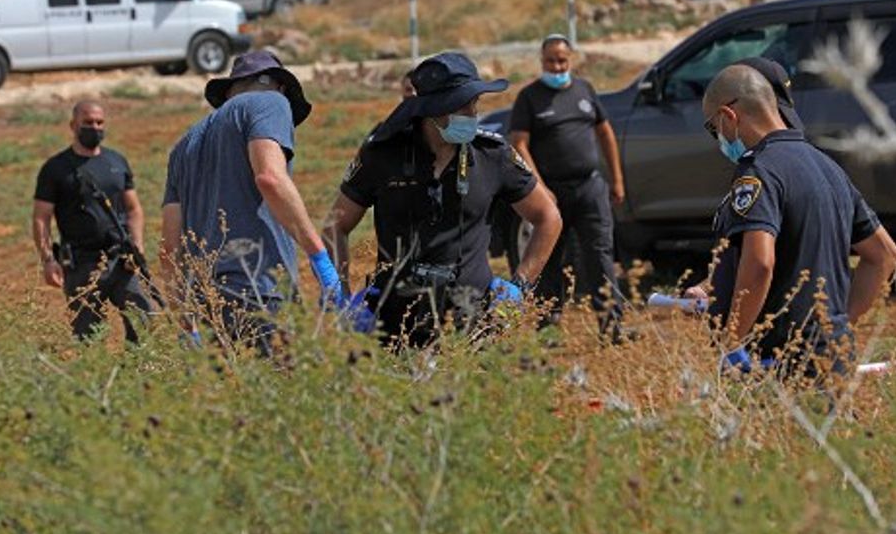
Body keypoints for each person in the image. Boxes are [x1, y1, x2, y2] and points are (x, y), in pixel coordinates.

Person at [323, 52, 562, 347]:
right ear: (431, 110)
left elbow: (548, 217)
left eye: (475, 103)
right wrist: (341, 295)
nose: (473, 114)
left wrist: (520, 286)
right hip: (393, 322)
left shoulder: (492, 155)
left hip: (472, 324)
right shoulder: (383, 155)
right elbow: (335, 225)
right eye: (462, 106)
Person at [688, 60, 896, 378]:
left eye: (713, 129)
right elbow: (884, 255)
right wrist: (836, 328)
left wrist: (731, 345)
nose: (718, 138)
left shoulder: (758, 172)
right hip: (831, 361)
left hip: (776, 362)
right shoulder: (828, 168)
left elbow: (760, 263)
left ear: (728, 117)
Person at [160, 51, 344, 354]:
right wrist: (320, 257)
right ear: (281, 86)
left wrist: (184, 321)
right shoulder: (270, 102)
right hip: (259, 290)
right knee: (283, 392)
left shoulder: (184, 145)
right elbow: (270, 178)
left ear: (231, 89)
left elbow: (169, 246)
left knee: (230, 398)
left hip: (207, 301)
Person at [508, 34, 628, 341]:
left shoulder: (584, 90)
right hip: (552, 194)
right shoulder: (529, 97)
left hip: (590, 188)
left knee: (599, 255)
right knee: (550, 261)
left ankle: (612, 327)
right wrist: (539, 187)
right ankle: (548, 329)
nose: (557, 66)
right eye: (551, 60)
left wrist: (616, 179)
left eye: (562, 60)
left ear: (570, 59)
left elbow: (605, 132)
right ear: (542, 61)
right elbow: (518, 143)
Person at [32, 100, 155, 343]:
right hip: (81, 264)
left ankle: (138, 376)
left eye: (99, 122)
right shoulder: (56, 168)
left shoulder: (116, 162)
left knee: (143, 319)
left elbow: (133, 208)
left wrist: (137, 245)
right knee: (88, 338)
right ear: (73, 125)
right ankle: (96, 380)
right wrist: (48, 259)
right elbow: (41, 218)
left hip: (121, 260)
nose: (95, 127)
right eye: (88, 122)